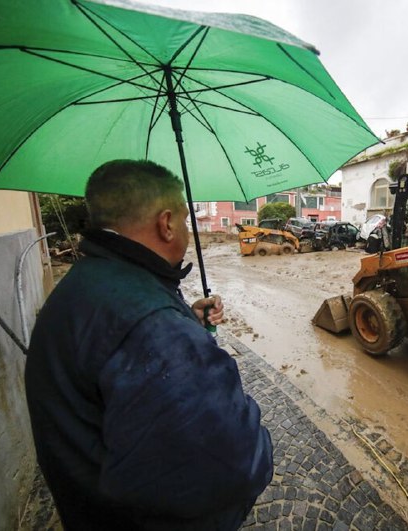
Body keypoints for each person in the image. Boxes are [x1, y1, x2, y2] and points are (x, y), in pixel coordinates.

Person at [25, 160, 273, 530]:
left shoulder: (85, 282)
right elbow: (233, 460)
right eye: (187, 222)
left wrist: (186, 318)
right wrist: (178, 334)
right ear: (167, 224)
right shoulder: (152, 325)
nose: (188, 231)